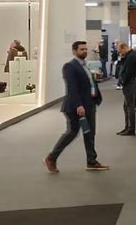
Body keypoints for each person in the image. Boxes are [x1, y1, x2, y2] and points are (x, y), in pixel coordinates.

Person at [46, 41, 109, 174]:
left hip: (89, 104)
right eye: (81, 49)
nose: (84, 51)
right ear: (74, 51)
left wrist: (95, 99)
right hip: (76, 107)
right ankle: (51, 158)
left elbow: (90, 83)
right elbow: (72, 88)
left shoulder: (85, 65)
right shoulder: (70, 66)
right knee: (72, 133)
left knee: (90, 133)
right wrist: (78, 105)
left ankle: (91, 161)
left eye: (86, 49)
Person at [116, 42, 136, 135]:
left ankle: (131, 129)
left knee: (130, 107)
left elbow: (128, 72)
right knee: (126, 106)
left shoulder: (131, 57)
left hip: (129, 83)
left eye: (120, 51)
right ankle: (127, 127)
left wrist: (123, 81)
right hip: (131, 82)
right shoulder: (132, 55)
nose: (120, 53)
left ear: (124, 48)